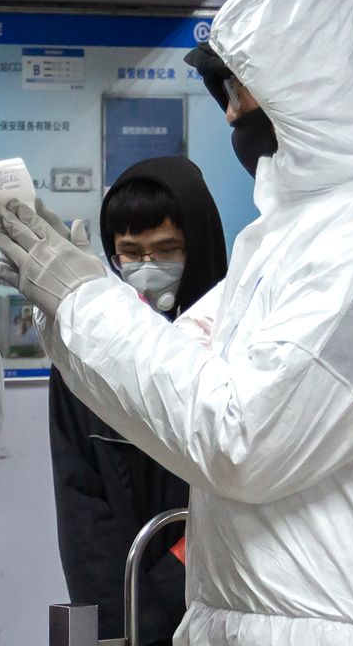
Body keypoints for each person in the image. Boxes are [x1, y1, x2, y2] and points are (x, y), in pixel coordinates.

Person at [0, 0, 353, 646]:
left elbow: (244, 437)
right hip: (257, 618)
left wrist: (87, 301)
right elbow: (181, 381)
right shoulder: (291, 233)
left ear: (314, 79)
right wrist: (68, 312)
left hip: (344, 631)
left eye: (241, 90)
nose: (232, 114)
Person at [50, 156, 227, 645]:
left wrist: (179, 575)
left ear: (200, 244)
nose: (148, 268)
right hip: (121, 603)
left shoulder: (237, 333)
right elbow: (79, 498)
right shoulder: (88, 347)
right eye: (130, 252)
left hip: (219, 587)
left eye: (167, 249)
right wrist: (120, 616)